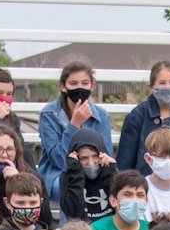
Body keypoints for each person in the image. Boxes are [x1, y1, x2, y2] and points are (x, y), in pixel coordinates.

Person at [37, 60, 113, 197]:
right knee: (71, 187)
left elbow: (105, 155)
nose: (80, 88)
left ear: (92, 85)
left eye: (85, 83)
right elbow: (59, 160)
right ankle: (71, 220)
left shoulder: (102, 116)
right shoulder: (48, 115)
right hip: (58, 175)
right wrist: (74, 125)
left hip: (93, 171)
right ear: (63, 86)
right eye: (73, 84)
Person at [58, 127, 115, 223]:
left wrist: (110, 173)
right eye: (84, 158)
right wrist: (75, 174)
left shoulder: (110, 171)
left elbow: (120, 208)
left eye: (95, 156)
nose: (91, 163)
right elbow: (73, 214)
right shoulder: (67, 176)